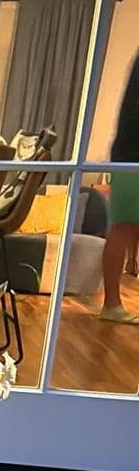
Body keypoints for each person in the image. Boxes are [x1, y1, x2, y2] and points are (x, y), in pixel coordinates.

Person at [100, 52, 139, 323]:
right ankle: (111, 305)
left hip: (129, 153)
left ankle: (112, 305)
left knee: (125, 227)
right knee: (123, 227)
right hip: (131, 154)